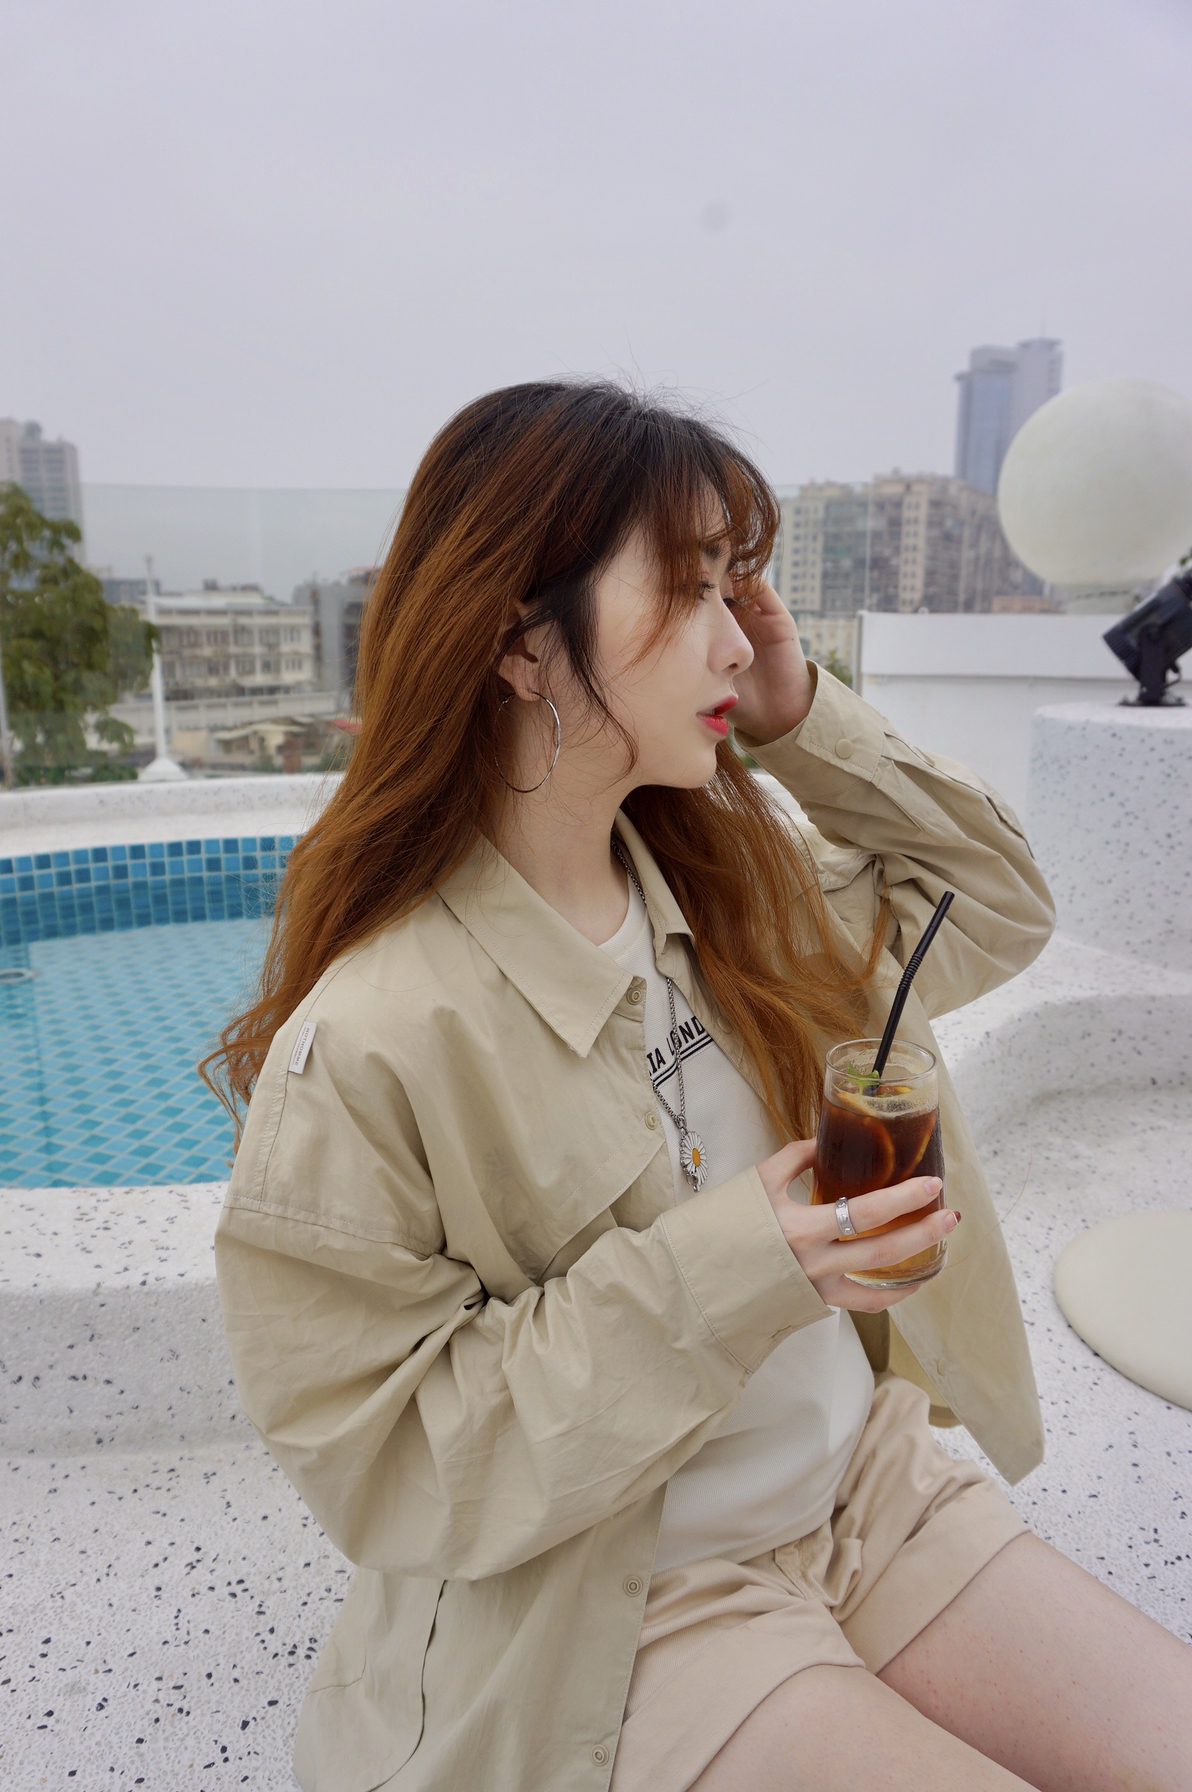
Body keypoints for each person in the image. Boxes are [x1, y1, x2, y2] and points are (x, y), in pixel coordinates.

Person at [209, 382, 1192, 1792]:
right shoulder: (376, 1041)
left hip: (865, 1493)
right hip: (635, 1591)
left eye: (739, 586)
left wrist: (802, 718)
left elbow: (996, 904)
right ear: (522, 643)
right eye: (689, 588)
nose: (739, 635)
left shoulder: (741, 896)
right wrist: (740, 1269)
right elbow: (393, 1459)